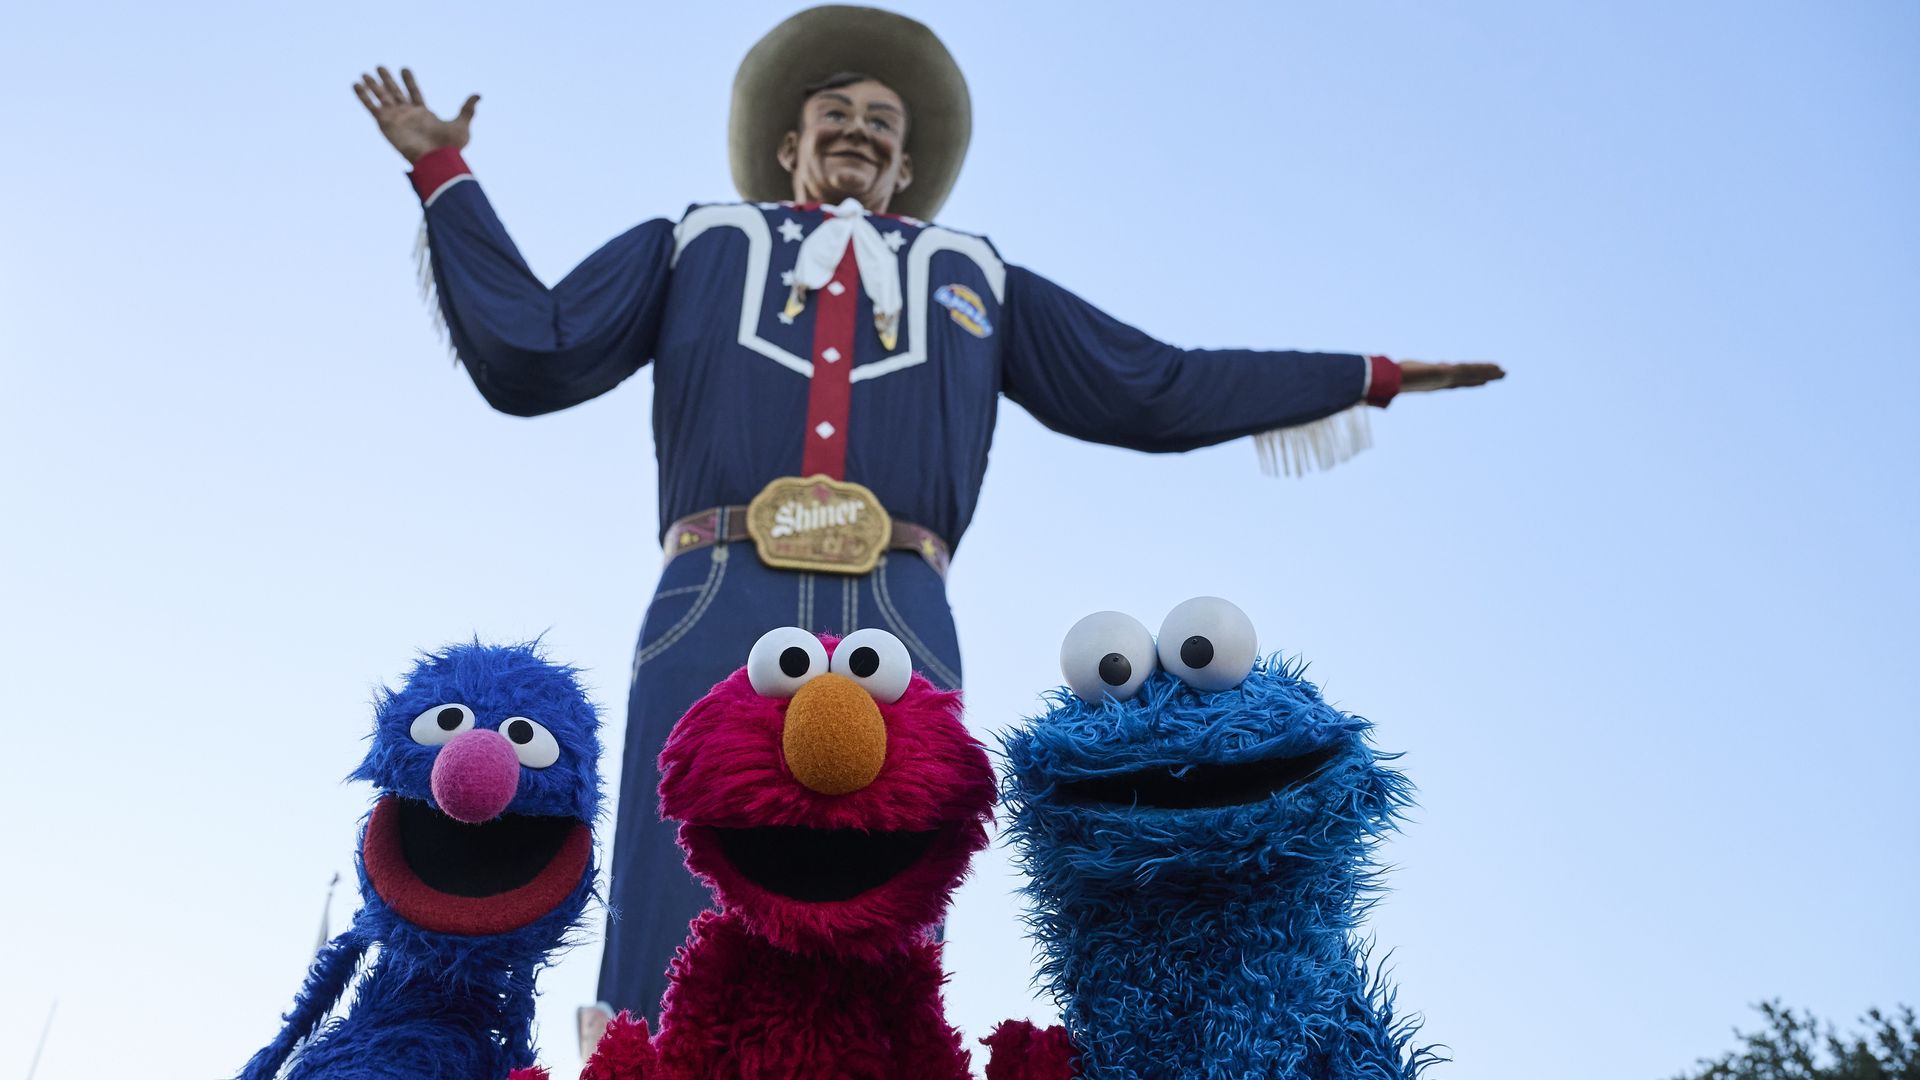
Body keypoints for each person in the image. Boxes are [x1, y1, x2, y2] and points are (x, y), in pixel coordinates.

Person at [353, 4, 1502, 1031]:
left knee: (884, 864)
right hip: (716, 581)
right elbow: (536, 350)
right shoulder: (696, 241)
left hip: (899, 592)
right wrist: (444, 171)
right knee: (685, 858)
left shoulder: (976, 280)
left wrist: (1369, 375)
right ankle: (652, 1061)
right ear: (787, 143)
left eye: (884, 123)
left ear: (905, 167)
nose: (860, 128)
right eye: (835, 111)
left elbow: (1152, 381)